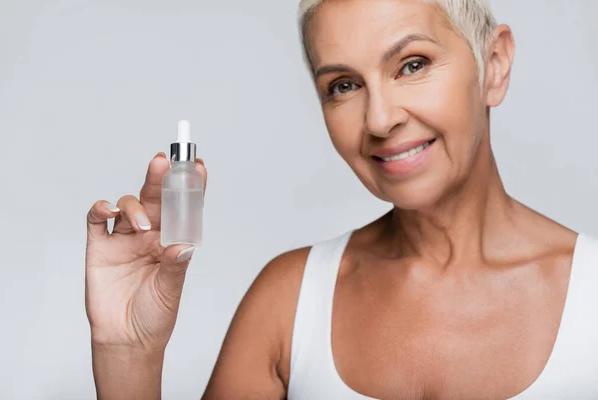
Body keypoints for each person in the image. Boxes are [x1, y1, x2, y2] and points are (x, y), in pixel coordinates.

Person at [85, 0, 598, 398]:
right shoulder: (287, 301)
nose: (379, 120)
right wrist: (129, 353)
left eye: (412, 65)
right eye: (344, 85)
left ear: (495, 63)